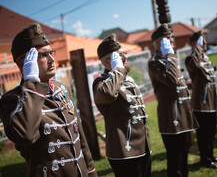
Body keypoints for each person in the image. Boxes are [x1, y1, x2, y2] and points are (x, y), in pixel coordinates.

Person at [0, 23, 97, 177]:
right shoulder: (12, 100)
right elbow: (25, 134)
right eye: (43, 55)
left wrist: (90, 170)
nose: (52, 59)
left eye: (51, 52)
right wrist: (32, 84)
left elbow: (79, 135)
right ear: (23, 62)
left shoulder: (61, 88)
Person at [92, 33, 151, 177]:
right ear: (107, 61)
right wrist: (117, 70)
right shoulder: (101, 82)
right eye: (119, 55)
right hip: (124, 151)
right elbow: (108, 94)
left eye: (123, 53)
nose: (125, 57)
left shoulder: (126, 79)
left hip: (142, 145)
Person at [148, 23, 199, 177]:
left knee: (184, 151)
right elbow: (171, 80)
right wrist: (170, 55)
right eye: (168, 39)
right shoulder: (155, 62)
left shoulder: (171, 58)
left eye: (171, 38)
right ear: (158, 43)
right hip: (171, 116)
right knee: (174, 156)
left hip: (183, 112)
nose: (172, 41)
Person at [185, 31, 217, 169]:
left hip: (211, 101)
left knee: (211, 132)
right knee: (203, 134)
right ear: (194, 43)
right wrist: (198, 49)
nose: (205, 43)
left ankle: (211, 155)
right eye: (202, 41)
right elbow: (193, 66)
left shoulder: (205, 57)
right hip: (201, 103)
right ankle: (205, 159)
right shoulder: (191, 58)